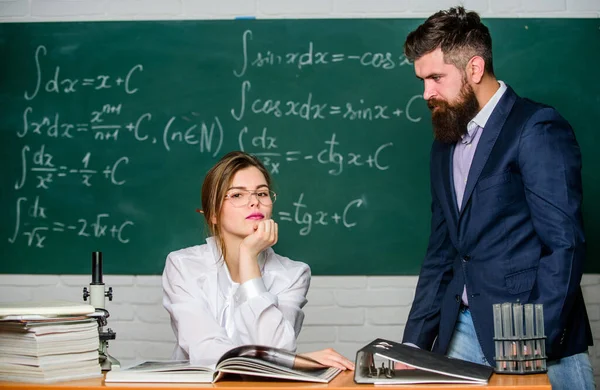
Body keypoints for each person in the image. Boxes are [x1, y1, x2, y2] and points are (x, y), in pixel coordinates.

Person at [400, 6, 594, 389]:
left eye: (436, 77)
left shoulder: (536, 127)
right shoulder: (443, 143)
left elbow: (565, 244)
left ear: (474, 69)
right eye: (422, 80)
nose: (427, 92)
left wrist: (533, 337)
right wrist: (413, 346)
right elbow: (442, 252)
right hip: (459, 329)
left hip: (532, 333)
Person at [162, 151, 354, 371]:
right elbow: (205, 352)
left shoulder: (294, 274)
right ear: (213, 214)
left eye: (262, 193)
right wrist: (295, 360)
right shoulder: (183, 266)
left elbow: (274, 347)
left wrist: (248, 257)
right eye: (237, 195)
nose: (254, 202)